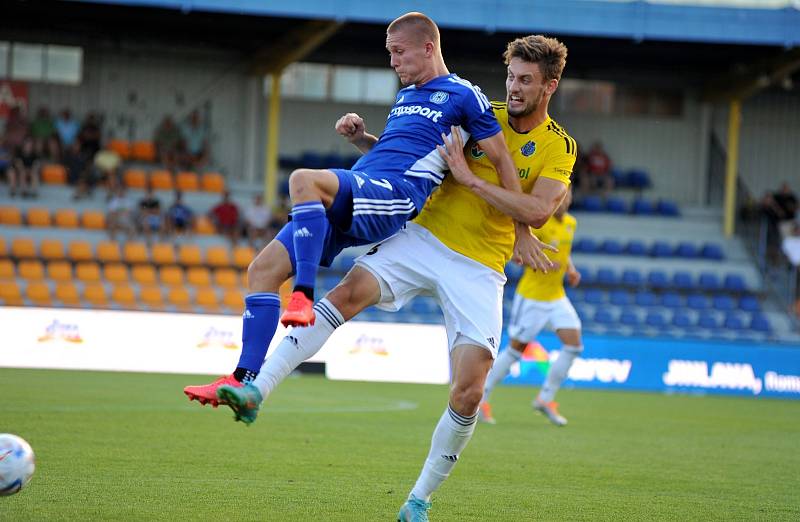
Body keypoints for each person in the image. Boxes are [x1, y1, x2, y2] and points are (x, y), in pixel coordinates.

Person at [207, 34, 574, 520]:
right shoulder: (479, 112)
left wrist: (489, 196)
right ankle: (257, 388)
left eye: (526, 81)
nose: (513, 88)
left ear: (549, 86)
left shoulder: (558, 146)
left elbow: (539, 208)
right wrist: (365, 143)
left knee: (468, 390)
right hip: (421, 237)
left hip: (481, 267)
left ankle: (418, 500)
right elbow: (416, 163)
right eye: (511, 76)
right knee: (347, 292)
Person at [183, 11, 520, 396]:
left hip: (394, 195)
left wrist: (520, 229)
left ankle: (303, 295)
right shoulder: (406, 95)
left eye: (398, 52)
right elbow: (400, 152)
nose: (393, 62)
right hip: (367, 184)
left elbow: (502, 160)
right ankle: (241, 380)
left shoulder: (464, 95)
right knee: (262, 269)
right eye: (389, 53)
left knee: (302, 179)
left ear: (428, 48)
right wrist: (362, 140)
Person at [479, 189, 582, 427]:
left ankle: (545, 399)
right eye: (562, 196)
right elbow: (519, 255)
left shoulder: (570, 223)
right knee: (516, 351)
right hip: (532, 297)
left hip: (556, 295)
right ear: (554, 199)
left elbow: (564, 253)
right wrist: (538, 261)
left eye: (568, 196)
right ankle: (481, 398)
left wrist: (570, 269)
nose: (565, 200)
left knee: (574, 345)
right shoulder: (539, 225)